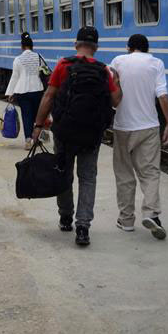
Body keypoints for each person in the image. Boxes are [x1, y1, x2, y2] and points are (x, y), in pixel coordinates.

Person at [31, 26, 121, 246]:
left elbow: (49, 96)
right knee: (88, 177)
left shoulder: (64, 64)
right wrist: (117, 81)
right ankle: (83, 227)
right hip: (91, 133)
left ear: (76, 44)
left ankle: (65, 217)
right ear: (96, 47)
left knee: (64, 172)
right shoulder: (103, 70)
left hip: (64, 131)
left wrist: (37, 125)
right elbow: (116, 101)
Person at [109, 34, 168, 239]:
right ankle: (151, 213)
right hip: (148, 126)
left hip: (123, 127)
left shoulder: (117, 62)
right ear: (147, 48)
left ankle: (126, 220)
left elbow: (112, 92)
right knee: (150, 172)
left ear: (129, 48)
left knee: (124, 174)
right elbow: (162, 95)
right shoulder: (156, 63)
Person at [5, 33, 46, 149]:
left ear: (22, 46)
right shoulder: (39, 57)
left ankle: (28, 141)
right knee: (37, 115)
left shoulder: (18, 59)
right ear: (32, 46)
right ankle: (37, 138)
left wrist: (10, 93)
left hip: (22, 91)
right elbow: (45, 72)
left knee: (26, 115)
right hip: (37, 89)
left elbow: (15, 77)